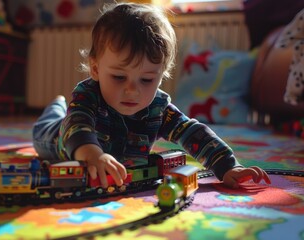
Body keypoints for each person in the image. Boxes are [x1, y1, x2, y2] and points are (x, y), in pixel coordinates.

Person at [32, 2, 271, 189]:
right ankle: (55, 107)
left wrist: (228, 166)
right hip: (56, 139)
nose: (132, 90)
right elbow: (77, 124)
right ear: (95, 69)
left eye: (146, 80)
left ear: (161, 75)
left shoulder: (158, 108)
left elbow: (194, 133)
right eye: (119, 77)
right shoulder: (88, 95)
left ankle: (58, 107)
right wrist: (92, 154)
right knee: (47, 125)